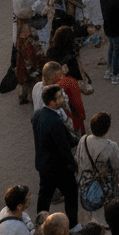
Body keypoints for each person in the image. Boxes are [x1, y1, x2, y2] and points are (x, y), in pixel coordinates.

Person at [33, 85, 80, 223]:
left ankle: (40, 223)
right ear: (52, 102)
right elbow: (64, 146)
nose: (62, 99)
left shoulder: (37, 114)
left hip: (43, 164)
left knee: (44, 195)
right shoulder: (55, 121)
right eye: (59, 97)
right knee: (71, 194)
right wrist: (72, 165)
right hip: (59, 167)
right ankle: (72, 225)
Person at [76, 112, 119, 227]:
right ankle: (104, 223)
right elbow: (118, 165)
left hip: (85, 181)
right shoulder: (110, 146)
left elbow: (77, 158)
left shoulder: (83, 139)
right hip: (104, 185)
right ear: (107, 128)